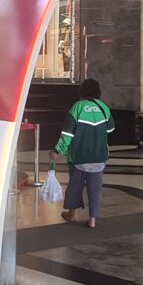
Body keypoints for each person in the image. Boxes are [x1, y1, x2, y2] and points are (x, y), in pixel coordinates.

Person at [50, 78, 113, 228]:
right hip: (99, 156)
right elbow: (111, 129)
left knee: (74, 186)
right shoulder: (103, 107)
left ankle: (71, 214)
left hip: (79, 157)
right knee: (95, 189)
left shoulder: (77, 107)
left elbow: (67, 134)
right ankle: (92, 220)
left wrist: (57, 150)